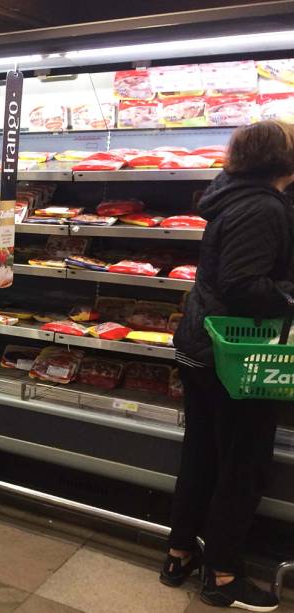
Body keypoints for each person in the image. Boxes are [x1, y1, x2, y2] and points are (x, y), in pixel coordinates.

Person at [164, 120, 294, 612]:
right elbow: (243, 284)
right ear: (282, 159)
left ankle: (179, 556)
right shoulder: (262, 206)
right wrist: (289, 298)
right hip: (236, 354)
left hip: (202, 343)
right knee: (242, 465)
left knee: (202, 454)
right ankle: (221, 573)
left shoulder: (233, 196)